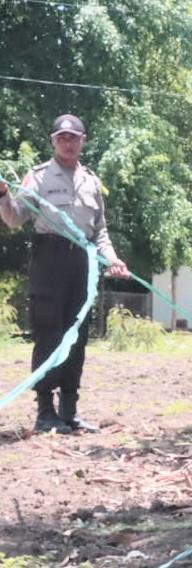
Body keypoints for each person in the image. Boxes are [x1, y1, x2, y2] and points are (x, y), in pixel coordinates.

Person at [0, 114, 129, 434]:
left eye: (74, 137)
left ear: (83, 141)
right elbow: (15, 218)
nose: (68, 143)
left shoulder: (91, 181)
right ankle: (45, 413)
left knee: (77, 336)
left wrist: (112, 259)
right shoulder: (38, 176)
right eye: (62, 138)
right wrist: (3, 194)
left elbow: (99, 231)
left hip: (82, 264)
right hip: (49, 259)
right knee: (49, 334)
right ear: (53, 141)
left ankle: (69, 411)